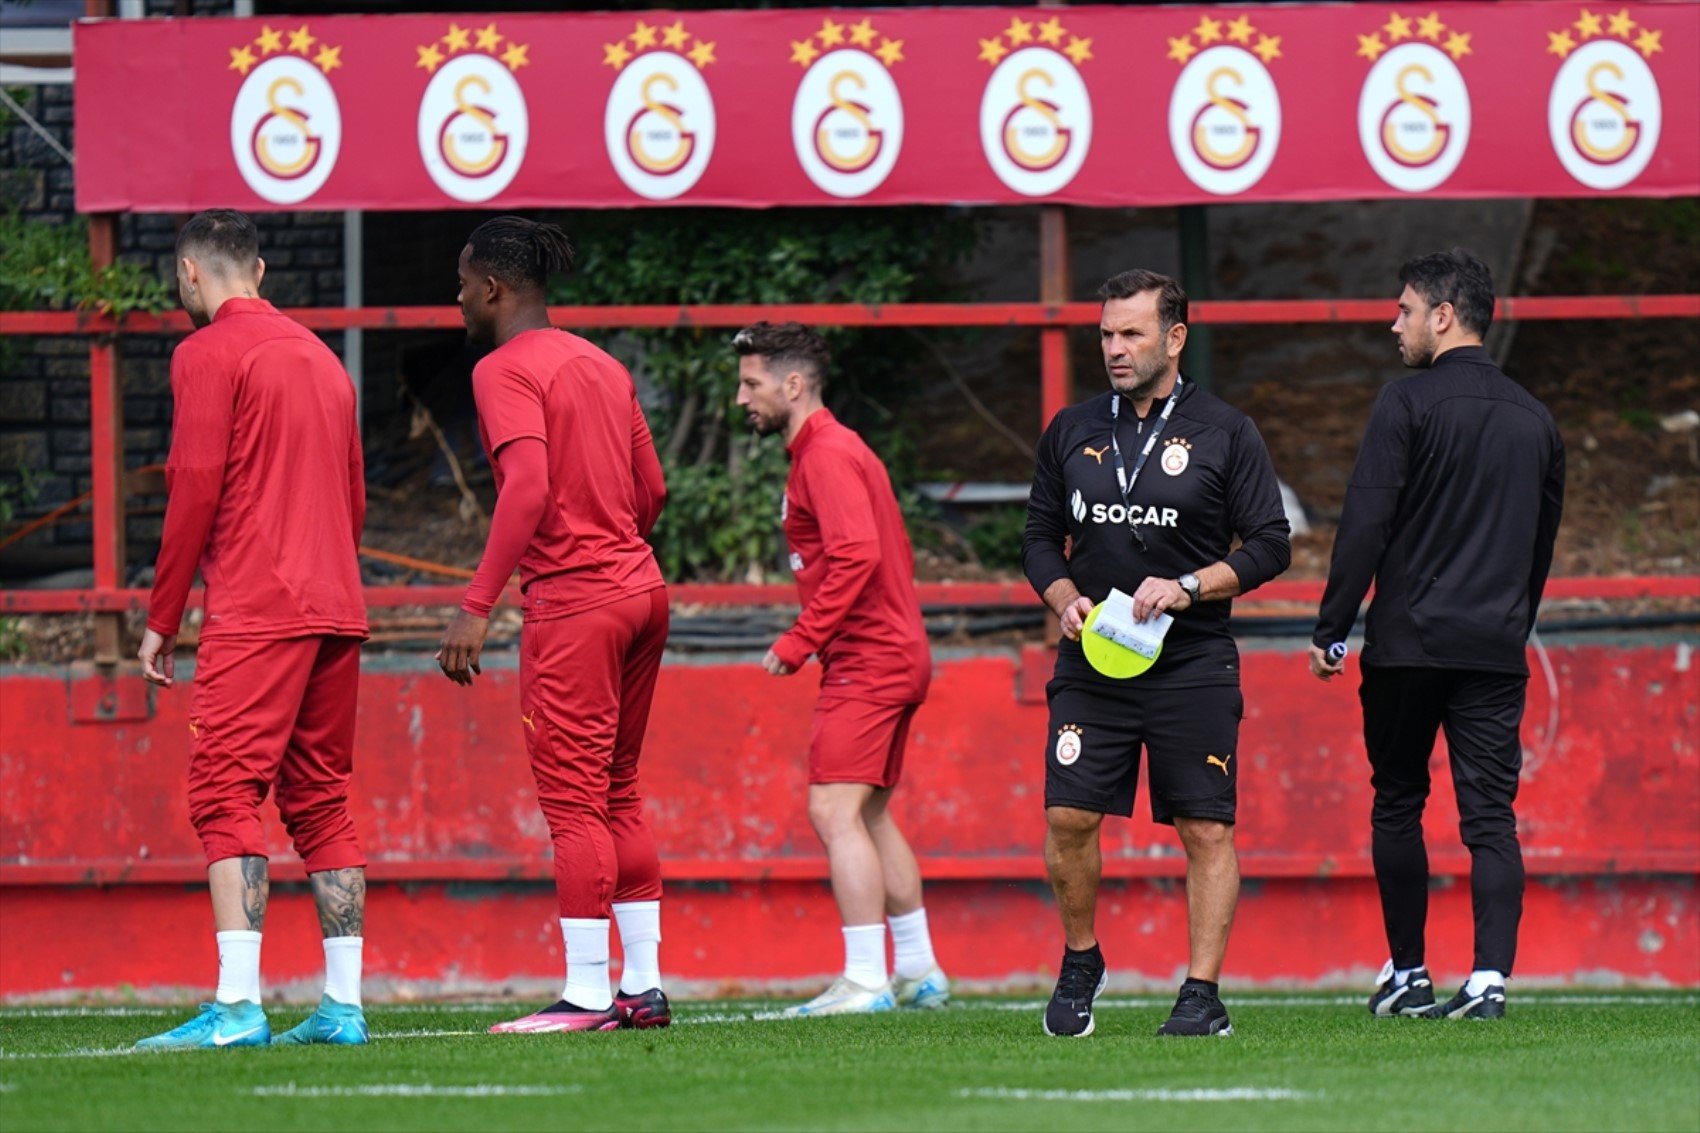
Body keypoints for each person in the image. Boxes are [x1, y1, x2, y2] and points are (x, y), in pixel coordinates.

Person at [1022, 269, 1291, 1039]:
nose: (1114, 347)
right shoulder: (1071, 428)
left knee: (1206, 828)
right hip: (1094, 659)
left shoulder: (1226, 430)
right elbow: (1039, 537)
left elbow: (1272, 543)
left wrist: (1190, 584)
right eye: (1106, 332)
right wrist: (1062, 594)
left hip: (1193, 659)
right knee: (1068, 815)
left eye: (1131, 332)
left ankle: (1201, 992)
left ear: (1175, 338)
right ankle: (1082, 958)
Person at [135, 209, 370, 1049]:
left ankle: (238, 1006)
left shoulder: (204, 352)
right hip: (337, 602)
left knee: (224, 793)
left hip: (259, 605)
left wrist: (163, 618)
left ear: (190, 275)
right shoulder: (324, 359)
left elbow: (193, 485)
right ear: (261, 272)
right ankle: (343, 1008)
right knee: (321, 800)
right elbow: (353, 494)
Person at [1309, 249, 1565, 1021]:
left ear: (1443, 316)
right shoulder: (1537, 418)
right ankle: (1489, 981)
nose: (1396, 323)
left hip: (1409, 643)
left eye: (1405, 310)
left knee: (1398, 800)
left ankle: (1409, 973)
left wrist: (1332, 625)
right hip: (1494, 645)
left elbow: (1365, 523)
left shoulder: (1405, 403)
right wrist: (1511, 620)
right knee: (1491, 816)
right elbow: (1540, 544)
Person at [436, 216, 672, 1034]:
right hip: (642, 590)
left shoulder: (503, 368)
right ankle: (642, 985)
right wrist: (611, 534)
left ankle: (583, 993)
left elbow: (527, 488)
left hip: (574, 603)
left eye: (464, 281)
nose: (458, 295)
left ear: (494, 288)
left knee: (574, 807)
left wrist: (475, 606)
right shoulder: (601, 363)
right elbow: (653, 490)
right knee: (618, 793)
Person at [732, 321, 949, 1017]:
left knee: (831, 808)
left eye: (752, 383)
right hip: (894, 648)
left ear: (793, 385)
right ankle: (918, 970)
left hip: (870, 658)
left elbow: (856, 554)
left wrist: (802, 638)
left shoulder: (825, 453)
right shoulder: (831, 451)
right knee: (870, 812)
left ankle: (864, 978)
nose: (742, 398)